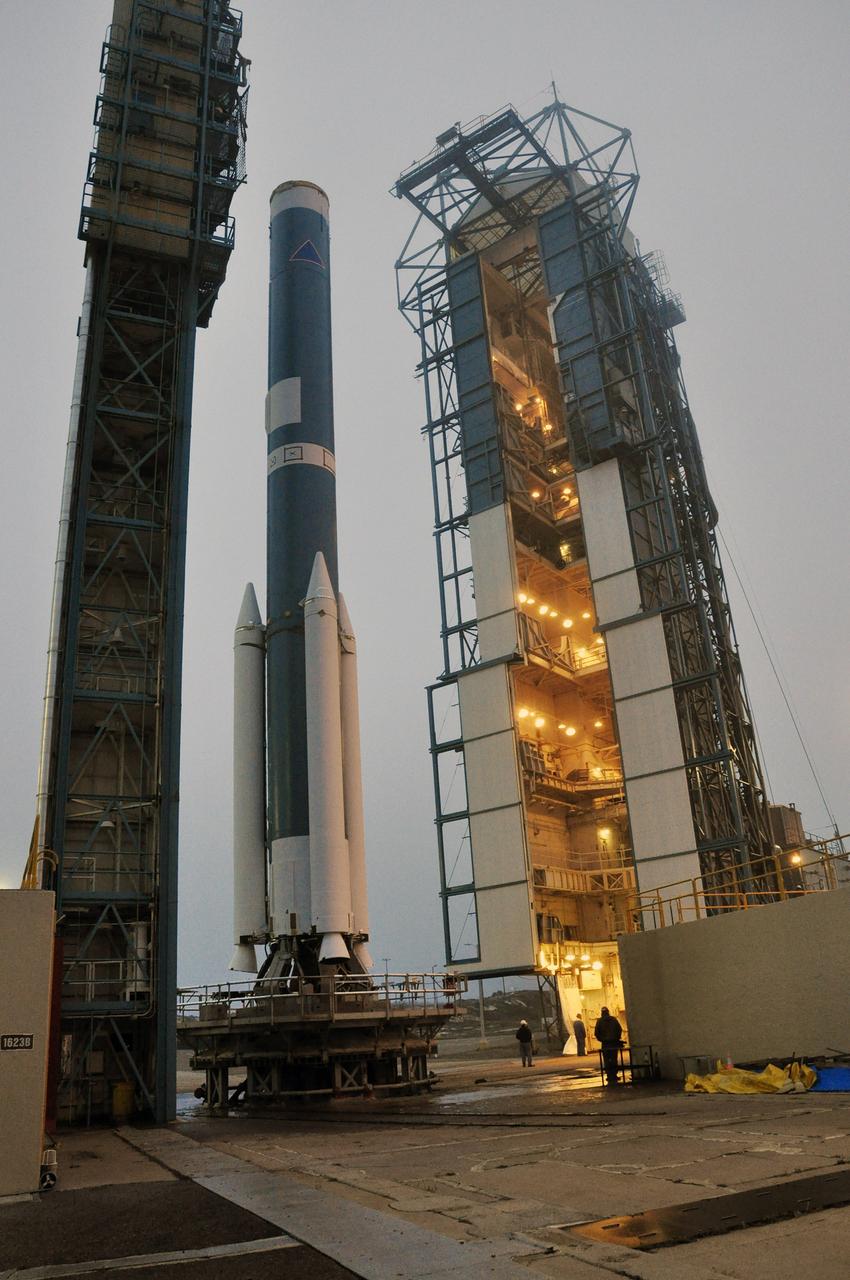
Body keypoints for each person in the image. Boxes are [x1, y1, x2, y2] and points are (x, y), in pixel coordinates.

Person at [594, 1006, 623, 1086]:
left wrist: (602, 1039)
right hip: (614, 1043)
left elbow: (596, 1033)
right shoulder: (613, 1019)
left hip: (605, 1044)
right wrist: (616, 1038)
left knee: (606, 1060)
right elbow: (619, 1029)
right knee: (614, 1059)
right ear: (608, 1012)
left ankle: (609, 1075)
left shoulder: (599, 1021)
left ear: (601, 1013)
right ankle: (614, 1075)